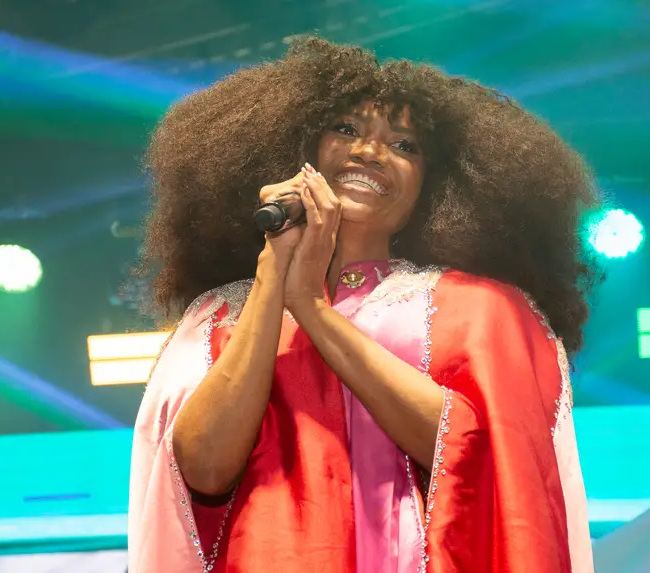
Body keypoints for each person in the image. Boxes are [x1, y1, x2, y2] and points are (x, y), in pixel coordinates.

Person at [128, 37, 600, 573]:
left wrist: (313, 308)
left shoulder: (476, 309)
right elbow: (204, 470)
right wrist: (274, 273)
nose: (371, 152)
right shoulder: (220, 316)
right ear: (301, 150)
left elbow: (486, 459)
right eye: (347, 129)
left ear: (434, 188)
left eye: (404, 145)